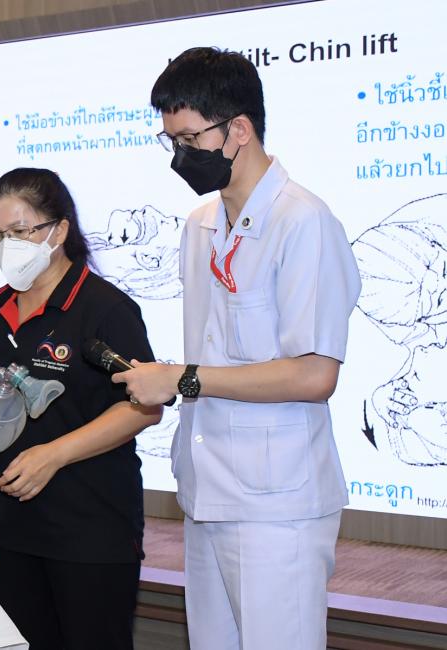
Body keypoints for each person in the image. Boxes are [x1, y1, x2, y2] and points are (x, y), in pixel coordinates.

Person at [115, 47, 361, 649]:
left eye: (190, 139)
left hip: (277, 505)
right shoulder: (198, 224)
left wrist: (183, 378)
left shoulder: (303, 222)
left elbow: (315, 375)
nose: (179, 156)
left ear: (240, 130)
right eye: (170, 141)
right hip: (206, 490)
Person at [0, 168, 162, 650]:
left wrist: (54, 454)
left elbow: (143, 408)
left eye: (20, 232)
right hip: (12, 525)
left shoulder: (105, 309)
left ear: (60, 230)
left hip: (89, 525)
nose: (6, 246)